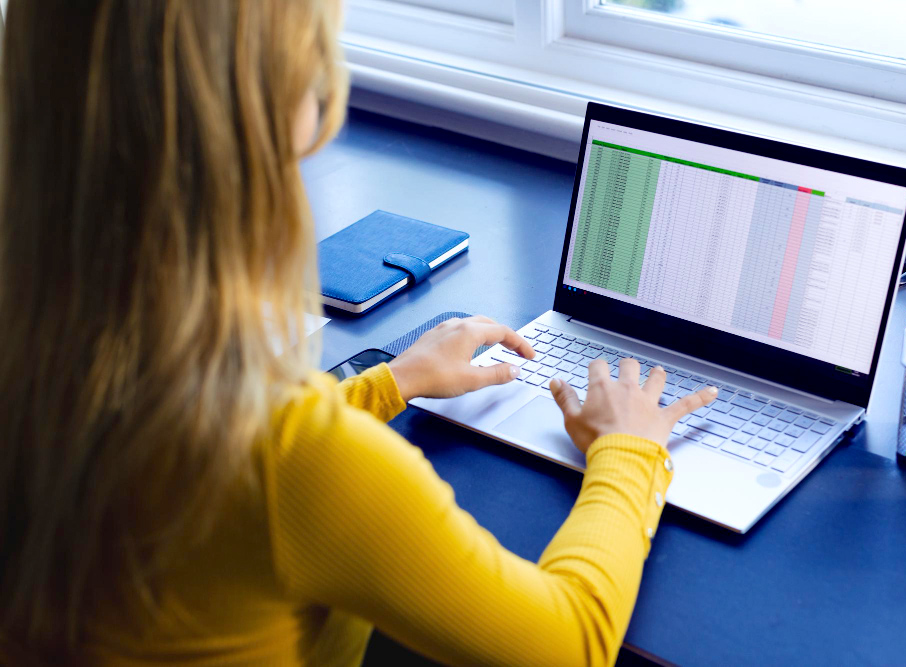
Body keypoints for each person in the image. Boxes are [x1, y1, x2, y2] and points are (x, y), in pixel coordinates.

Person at [0, 1, 716, 665]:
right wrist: (629, 451)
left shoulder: (47, 358)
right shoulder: (299, 461)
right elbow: (570, 641)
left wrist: (390, 382)